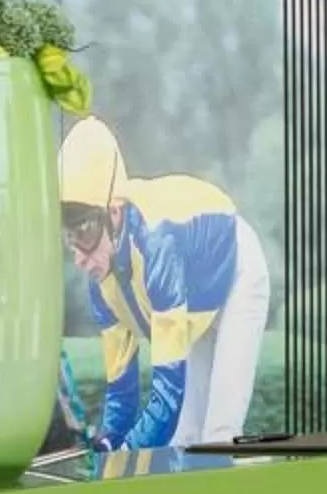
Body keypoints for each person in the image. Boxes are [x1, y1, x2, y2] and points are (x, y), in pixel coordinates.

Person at [59, 117, 271, 450]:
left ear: (114, 214)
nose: (79, 258)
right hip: (193, 294)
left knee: (218, 434)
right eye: (69, 237)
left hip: (238, 276)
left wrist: (128, 453)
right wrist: (106, 447)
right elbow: (122, 390)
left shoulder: (157, 246)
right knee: (183, 440)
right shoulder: (100, 276)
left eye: (84, 232)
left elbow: (168, 394)